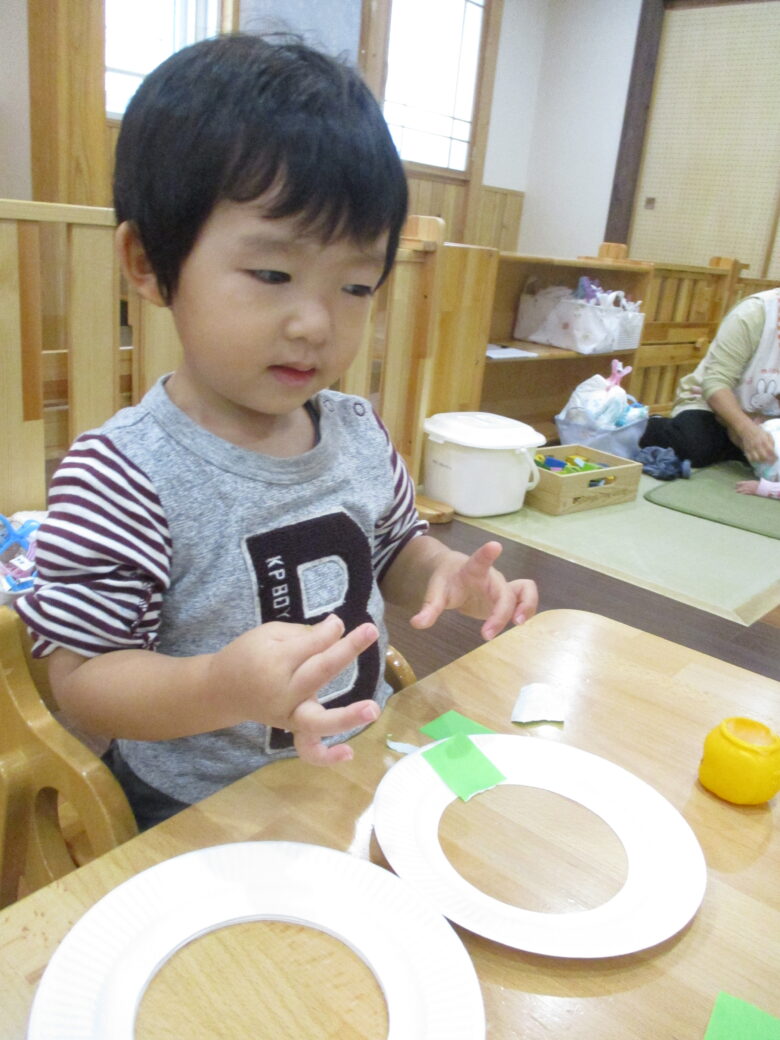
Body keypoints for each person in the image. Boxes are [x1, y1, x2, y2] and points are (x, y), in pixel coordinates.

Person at [16, 34, 538, 830]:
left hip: (363, 756)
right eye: (272, 275)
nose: (314, 324)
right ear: (149, 263)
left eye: (355, 286)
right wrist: (219, 686)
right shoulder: (122, 475)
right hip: (205, 803)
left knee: (501, 835)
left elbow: (391, 553)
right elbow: (82, 682)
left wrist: (443, 572)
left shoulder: (357, 432)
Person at [638, 288, 780, 469]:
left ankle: (732, 447)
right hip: (713, 405)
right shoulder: (753, 314)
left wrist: (762, 424)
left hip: (765, 417)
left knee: (769, 454)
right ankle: (645, 425)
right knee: (695, 447)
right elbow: (716, 383)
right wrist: (746, 430)